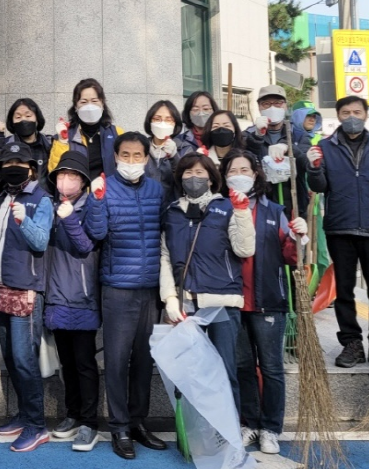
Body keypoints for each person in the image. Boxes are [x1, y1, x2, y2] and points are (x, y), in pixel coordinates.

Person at [306, 96, 369, 369]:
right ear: (338, 116)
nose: (351, 116)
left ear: (366, 115)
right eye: (345, 112)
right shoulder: (325, 147)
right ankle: (351, 343)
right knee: (344, 291)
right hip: (340, 227)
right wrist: (313, 168)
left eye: (357, 111)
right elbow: (318, 187)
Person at [84, 131, 167, 460]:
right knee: (117, 362)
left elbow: (165, 232)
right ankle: (118, 426)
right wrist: (96, 200)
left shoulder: (157, 189)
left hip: (150, 288)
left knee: (144, 361)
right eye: (125, 155)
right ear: (115, 157)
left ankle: (138, 422)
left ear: (147, 159)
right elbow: (97, 232)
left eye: (138, 156)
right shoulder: (105, 188)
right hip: (117, 288)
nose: (131, 161)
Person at [159, 154, 255, 425]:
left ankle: (228, 432)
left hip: (222, 301)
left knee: (224, 370)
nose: (193, 178)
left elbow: (245, 249)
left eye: (200, 172)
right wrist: (169, 298)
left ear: (212, 178)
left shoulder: (227, 207)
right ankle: (196, 433)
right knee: (190, 372)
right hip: (186, 304)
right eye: (187, 173)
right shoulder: (171, 212)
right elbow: (164, 256)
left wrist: (242, 212)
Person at [223, 152, 305, 456]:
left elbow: (291, 257)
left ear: (257, 174)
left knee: (271, 368)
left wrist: (298, 237)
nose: (240, 174)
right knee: (243, 366)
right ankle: (250, 423)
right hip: (233, 301)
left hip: (269, 300)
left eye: (245, 169)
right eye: (233, 170)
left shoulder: (274, 210)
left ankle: (271, 428)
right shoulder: (221, 208)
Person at [0, 143, 55, 452]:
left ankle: (38, 425)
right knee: (13, 358)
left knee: (26, 360)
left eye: (20, 162)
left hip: (26, 290)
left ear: (32, 167)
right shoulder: (2, 197)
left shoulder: (41, 199)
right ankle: (25, 414)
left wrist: (21, 220)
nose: (13, 168)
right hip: (0, 288)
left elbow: (40, 241)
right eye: (7, 162)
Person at [44, 151, 101, 452]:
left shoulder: (90, 207)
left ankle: (90, 422)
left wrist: (68, 221)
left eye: (72, 175)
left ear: (82, 181)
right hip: (56, 296)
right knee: (66, 363)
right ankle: (72, 414)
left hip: (82, 297)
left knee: (84, 363)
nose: (66, 180)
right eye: (61, 175)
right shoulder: (51, 208)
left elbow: (86, 246)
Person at [244, 85, 310, 221]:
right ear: (259, 107)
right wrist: (257, 137)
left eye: (277, 103)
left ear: (285, 106)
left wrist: (289, 147)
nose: (272, 108)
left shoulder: (298, 135)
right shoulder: (248, 135)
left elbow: (307, 165)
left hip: (295, 208)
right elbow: (244, 161)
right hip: (261, 206)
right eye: (266, 104)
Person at [48, 78, 126, 178]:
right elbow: (54, 171)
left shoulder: (116, 133)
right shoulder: (65, 135)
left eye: (94, 101)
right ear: (76, 106)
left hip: (109, 192)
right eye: (83, 102)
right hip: (78, 193)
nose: (89, 106)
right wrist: (62, 141)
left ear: (102, 103)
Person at [0, 98, 53, 180]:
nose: (23, 120)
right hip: (15, 192)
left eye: (28, 116)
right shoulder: (7, 144)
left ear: (37, 119)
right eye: (18, 117)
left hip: (45, 192)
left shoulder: (49, 143)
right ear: (12, 122)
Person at [143, 100, 192, 179]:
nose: (163, 123)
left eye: (168, 120)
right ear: (149, 121)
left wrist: (174, 156)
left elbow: (187, 180)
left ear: (175, 123)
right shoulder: (142, 147)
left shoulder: (184, 149)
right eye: (157, 119)